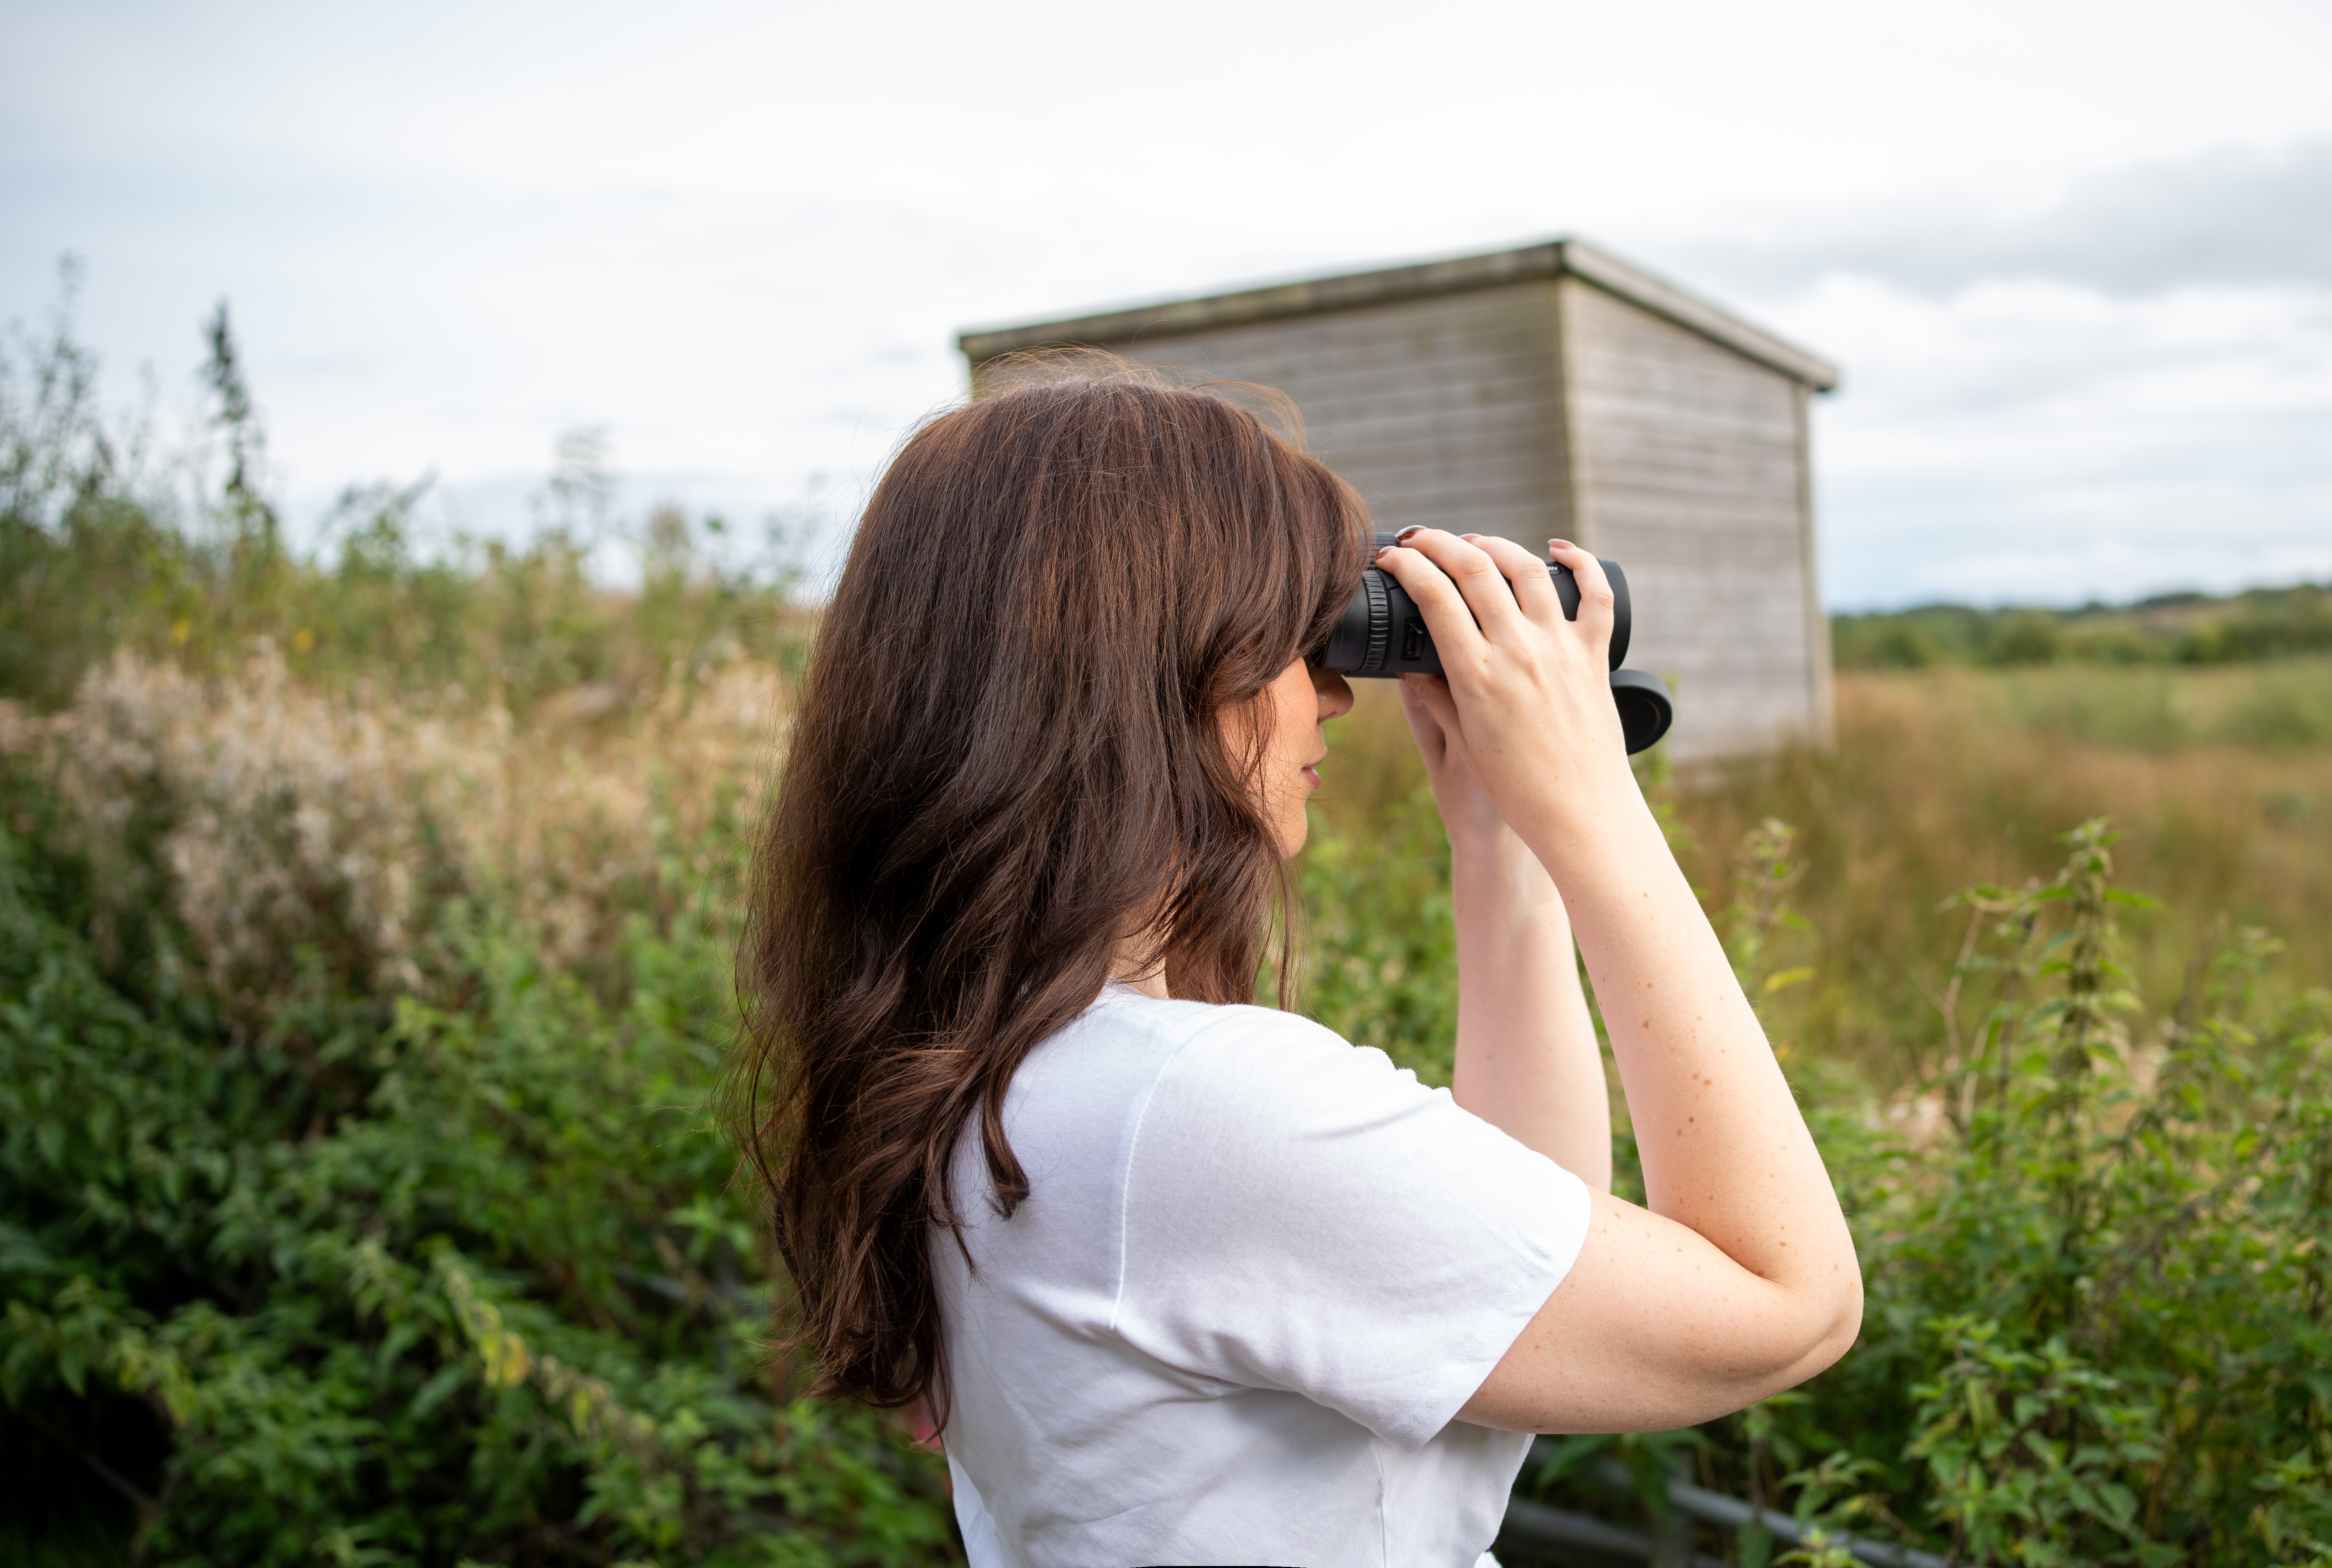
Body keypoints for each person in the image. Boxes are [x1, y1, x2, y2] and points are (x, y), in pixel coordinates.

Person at [736, 369, 1861, 1566]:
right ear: (1153, 666)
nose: (1335, 693)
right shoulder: (1186, 1109)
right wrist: (1597, 809)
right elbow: (1785, 1306)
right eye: (1292, 637)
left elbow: (1524, 1270)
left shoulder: (1003, 1070)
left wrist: (1502, 846)